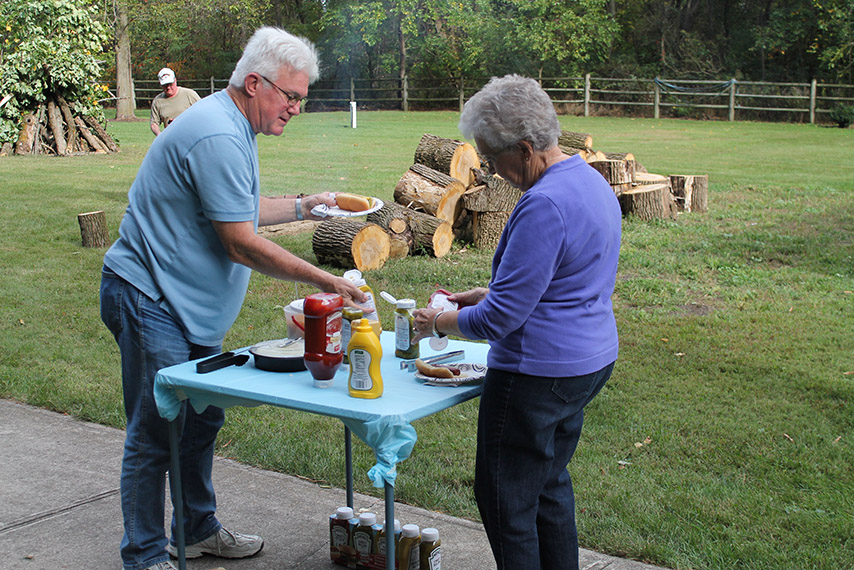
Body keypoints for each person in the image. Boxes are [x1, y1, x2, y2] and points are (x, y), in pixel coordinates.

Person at [100, 27, 366, 570]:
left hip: (184, 304)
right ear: (254, 83)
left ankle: (195, 530)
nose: (296, 108)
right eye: (291, 96)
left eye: (301, 99)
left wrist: (301, 205)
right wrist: (326, 281)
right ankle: (146, 555)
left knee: (201, 417)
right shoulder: (218, 134)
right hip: (149, 296)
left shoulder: (232, 124)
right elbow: (241, 243)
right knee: (157, 429)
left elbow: (235, 209)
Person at [412, 74, 622, 570]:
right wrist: (487, 292)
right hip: (586, 364)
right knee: (548, 484)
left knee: (507, 502)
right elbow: (564, 279)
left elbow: (502, 318)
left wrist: (441, 321)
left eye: (492, 159)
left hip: (537, 377)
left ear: (525, 150)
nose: (490, 170)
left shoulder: (543, 203)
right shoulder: (589, 180)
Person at [149, 67, 201, 136]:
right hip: (171, 138)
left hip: (191, 136)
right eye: (165, 85)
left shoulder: (190, 94)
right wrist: (159, 135)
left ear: (175, 81)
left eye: (170, 84)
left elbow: (202, 113)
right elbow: (154, 123)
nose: (168, 87)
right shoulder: (158, 101)